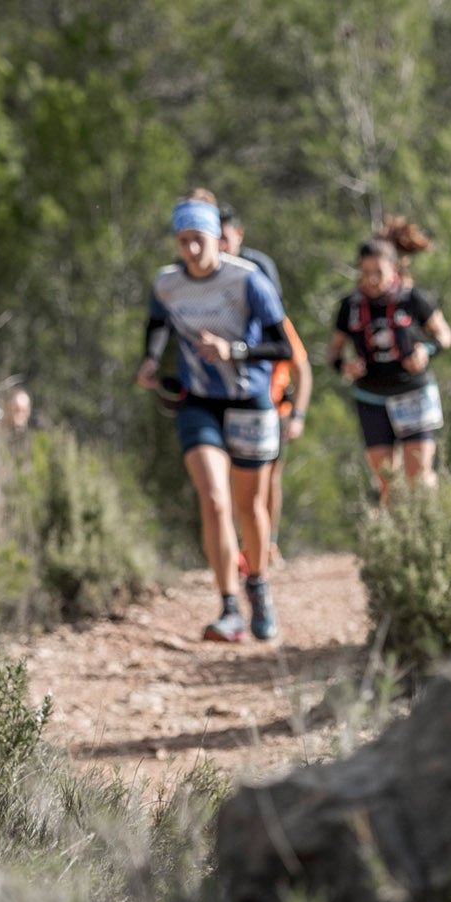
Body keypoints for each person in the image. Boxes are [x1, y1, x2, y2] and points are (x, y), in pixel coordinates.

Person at [137, 190, 292, 642]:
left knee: (250, 507)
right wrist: (150, 359)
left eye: (199, 239)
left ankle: (258, 586)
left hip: (250, 400)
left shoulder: (249, 280)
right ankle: (228, 608)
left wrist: (234, 351)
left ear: (216, 239)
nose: (192, 249)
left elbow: (283, 346)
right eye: (183, 240)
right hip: (199, 401)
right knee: (215, 500)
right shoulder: (167, 282)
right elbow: (157, 321)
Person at [329, 218, 451, 506]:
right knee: (388, 484)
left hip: (413, 393)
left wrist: (427, 351)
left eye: (378, 272)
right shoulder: (349, 306)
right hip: (371, 398)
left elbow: (445, 335)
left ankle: (431, 535)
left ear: (394, 269)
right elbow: (334, 352)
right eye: (365, 273)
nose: (371, 280)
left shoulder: (412, 299)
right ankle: (397, 546)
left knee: (419, 478)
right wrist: (344, 366)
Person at [216, 204, 309, 565]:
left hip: (271, 406)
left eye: (225, 238)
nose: (221, 248)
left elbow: (300, 366)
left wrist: (297, 413)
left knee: (267, 479)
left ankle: (266, 543)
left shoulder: (265, 297)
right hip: (227, 401)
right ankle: (242, 547)